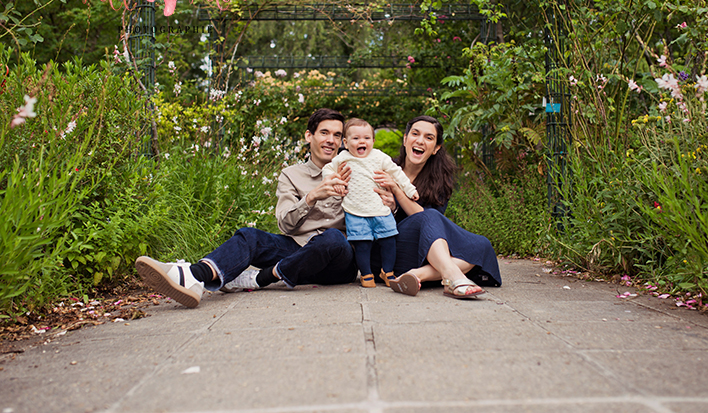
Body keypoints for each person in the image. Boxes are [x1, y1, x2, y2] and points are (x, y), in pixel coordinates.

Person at [134, 108, 359, 308]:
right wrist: (312, 196)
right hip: (298, 250)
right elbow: (285, 224)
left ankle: (263, 277)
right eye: (324, 133)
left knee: (333, 238)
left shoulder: (355, 171)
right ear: (309, 136)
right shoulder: (290, 175)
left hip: (337, 261)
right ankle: (195, 277)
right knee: (250, 236)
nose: (331, 140)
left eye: (337, 135)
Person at [371, 115, 502, 299]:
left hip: (419, 255)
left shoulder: (440, 179)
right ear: (405, 139)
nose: (420, 141)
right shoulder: (383, 169)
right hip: (385, 253)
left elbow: (431, 225)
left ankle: (418, 275)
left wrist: (397, 190)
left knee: (481, 245)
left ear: (436, 148)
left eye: (429, 137)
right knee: (430, 215)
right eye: (415, 134)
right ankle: (452, 276)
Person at [322, 118, 419, 288]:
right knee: (362, 245)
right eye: (356, 138)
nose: (362, 142)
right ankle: (366, 274)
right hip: (355, 212)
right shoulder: (343, 157)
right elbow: (327, 170)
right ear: (345, 142)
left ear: (373, 141)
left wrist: (410, 190)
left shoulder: (380, 157)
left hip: (380, 210)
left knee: (389, 241)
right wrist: (335, 181)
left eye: (367, 138)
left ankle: (388, 271)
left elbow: (397, 173)